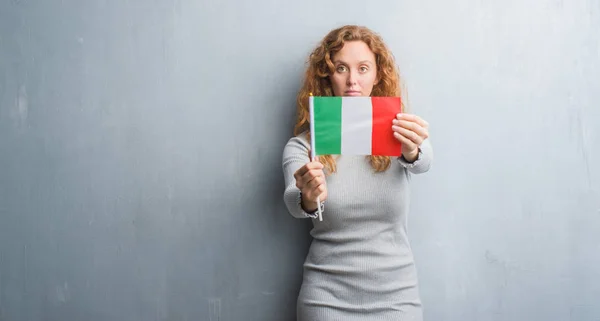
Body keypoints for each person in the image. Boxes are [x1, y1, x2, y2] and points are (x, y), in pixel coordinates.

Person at [281, 25, 433, 320]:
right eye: (341, 68)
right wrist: (308, 197)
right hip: (326, 301)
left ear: (378, 75)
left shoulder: (399, 133)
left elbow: (424, 161)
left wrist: (413, 149)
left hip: (396, 299)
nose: (353, 81)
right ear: (327, 76)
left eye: (363, 68)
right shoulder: (303, 146)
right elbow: (294, 202)